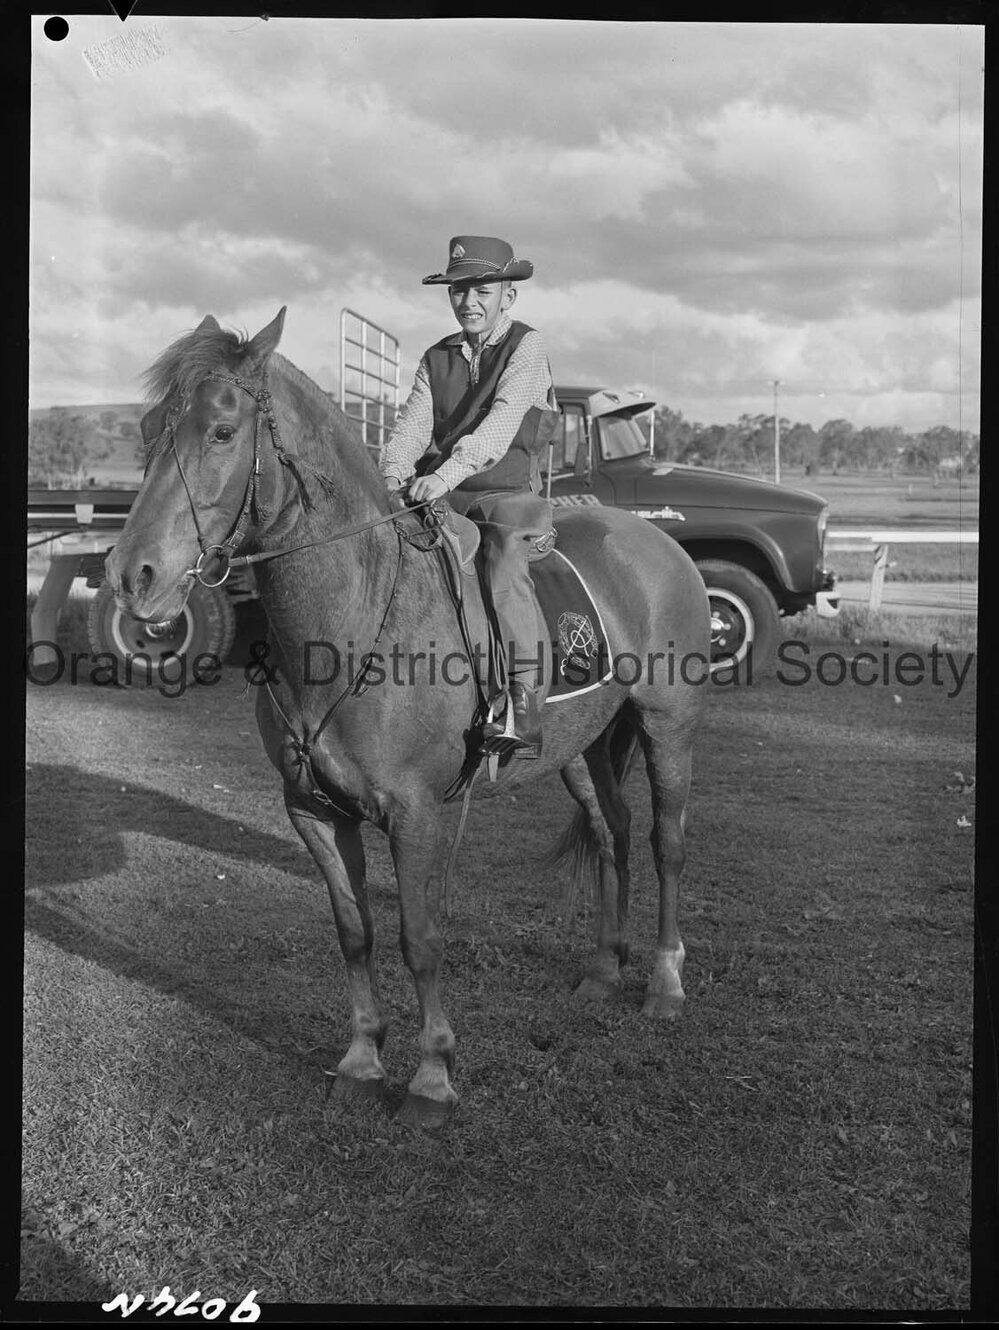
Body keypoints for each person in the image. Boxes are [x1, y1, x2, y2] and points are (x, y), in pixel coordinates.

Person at [380, 235, 560, 757]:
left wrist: (444, 474)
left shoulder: (527, 347)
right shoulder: (436, 357)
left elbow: (500, 425)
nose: (468, 301)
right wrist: (392, 476)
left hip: (507, 496)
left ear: (509, 295)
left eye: (481, 290)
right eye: (458, 290)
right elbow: (412, 428)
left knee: (502, 560)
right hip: (446, 495)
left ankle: (522, 703)